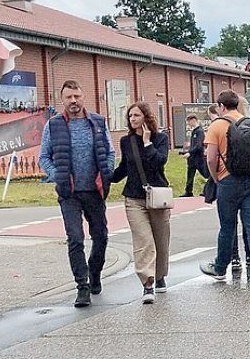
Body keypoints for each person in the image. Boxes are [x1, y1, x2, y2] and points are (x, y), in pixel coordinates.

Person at [38, 79, 116, 308]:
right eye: (69, 97)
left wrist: (107, 171)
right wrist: (56, 174)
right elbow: (44, 156)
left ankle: (95, 273)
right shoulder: (53, 125)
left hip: (94, 190)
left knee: (101, 236)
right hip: (69, 192)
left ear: (84, 97)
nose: (73, 101)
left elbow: (110, 151)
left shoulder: (98, 123)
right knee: (75, 238)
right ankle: (82, 286)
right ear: (62, 100)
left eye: (77, 96)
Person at [199, 90, 250, 286]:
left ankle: (220, 268)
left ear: (221, 106)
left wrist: (216, 178)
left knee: (227, 227)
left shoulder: (217, 126)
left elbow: (211, 158)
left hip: (228, 181)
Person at [109, 101, 172, 302]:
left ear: (146, 117)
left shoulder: (160, 139)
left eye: (136, 115)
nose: (133, 119)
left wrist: (147, 143)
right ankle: (148, 283)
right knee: (144, 241)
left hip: (157, 196)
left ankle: (160, 275)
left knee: (161, 240)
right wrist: (106, 177)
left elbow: (158, 162)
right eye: (130, 116)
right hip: (134, 198)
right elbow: (125, 167)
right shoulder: (126, 141)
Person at [182, 113, 209, 197]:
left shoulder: (199, 131)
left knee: (206, 174)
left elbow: (199, 145)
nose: (188, 124)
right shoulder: (194, 131)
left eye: (189, 122)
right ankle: (188, 191)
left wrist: (190, 152)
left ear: (193, 120)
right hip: (192, 158)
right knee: (190, 175)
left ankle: (208, 190)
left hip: (199, 158)